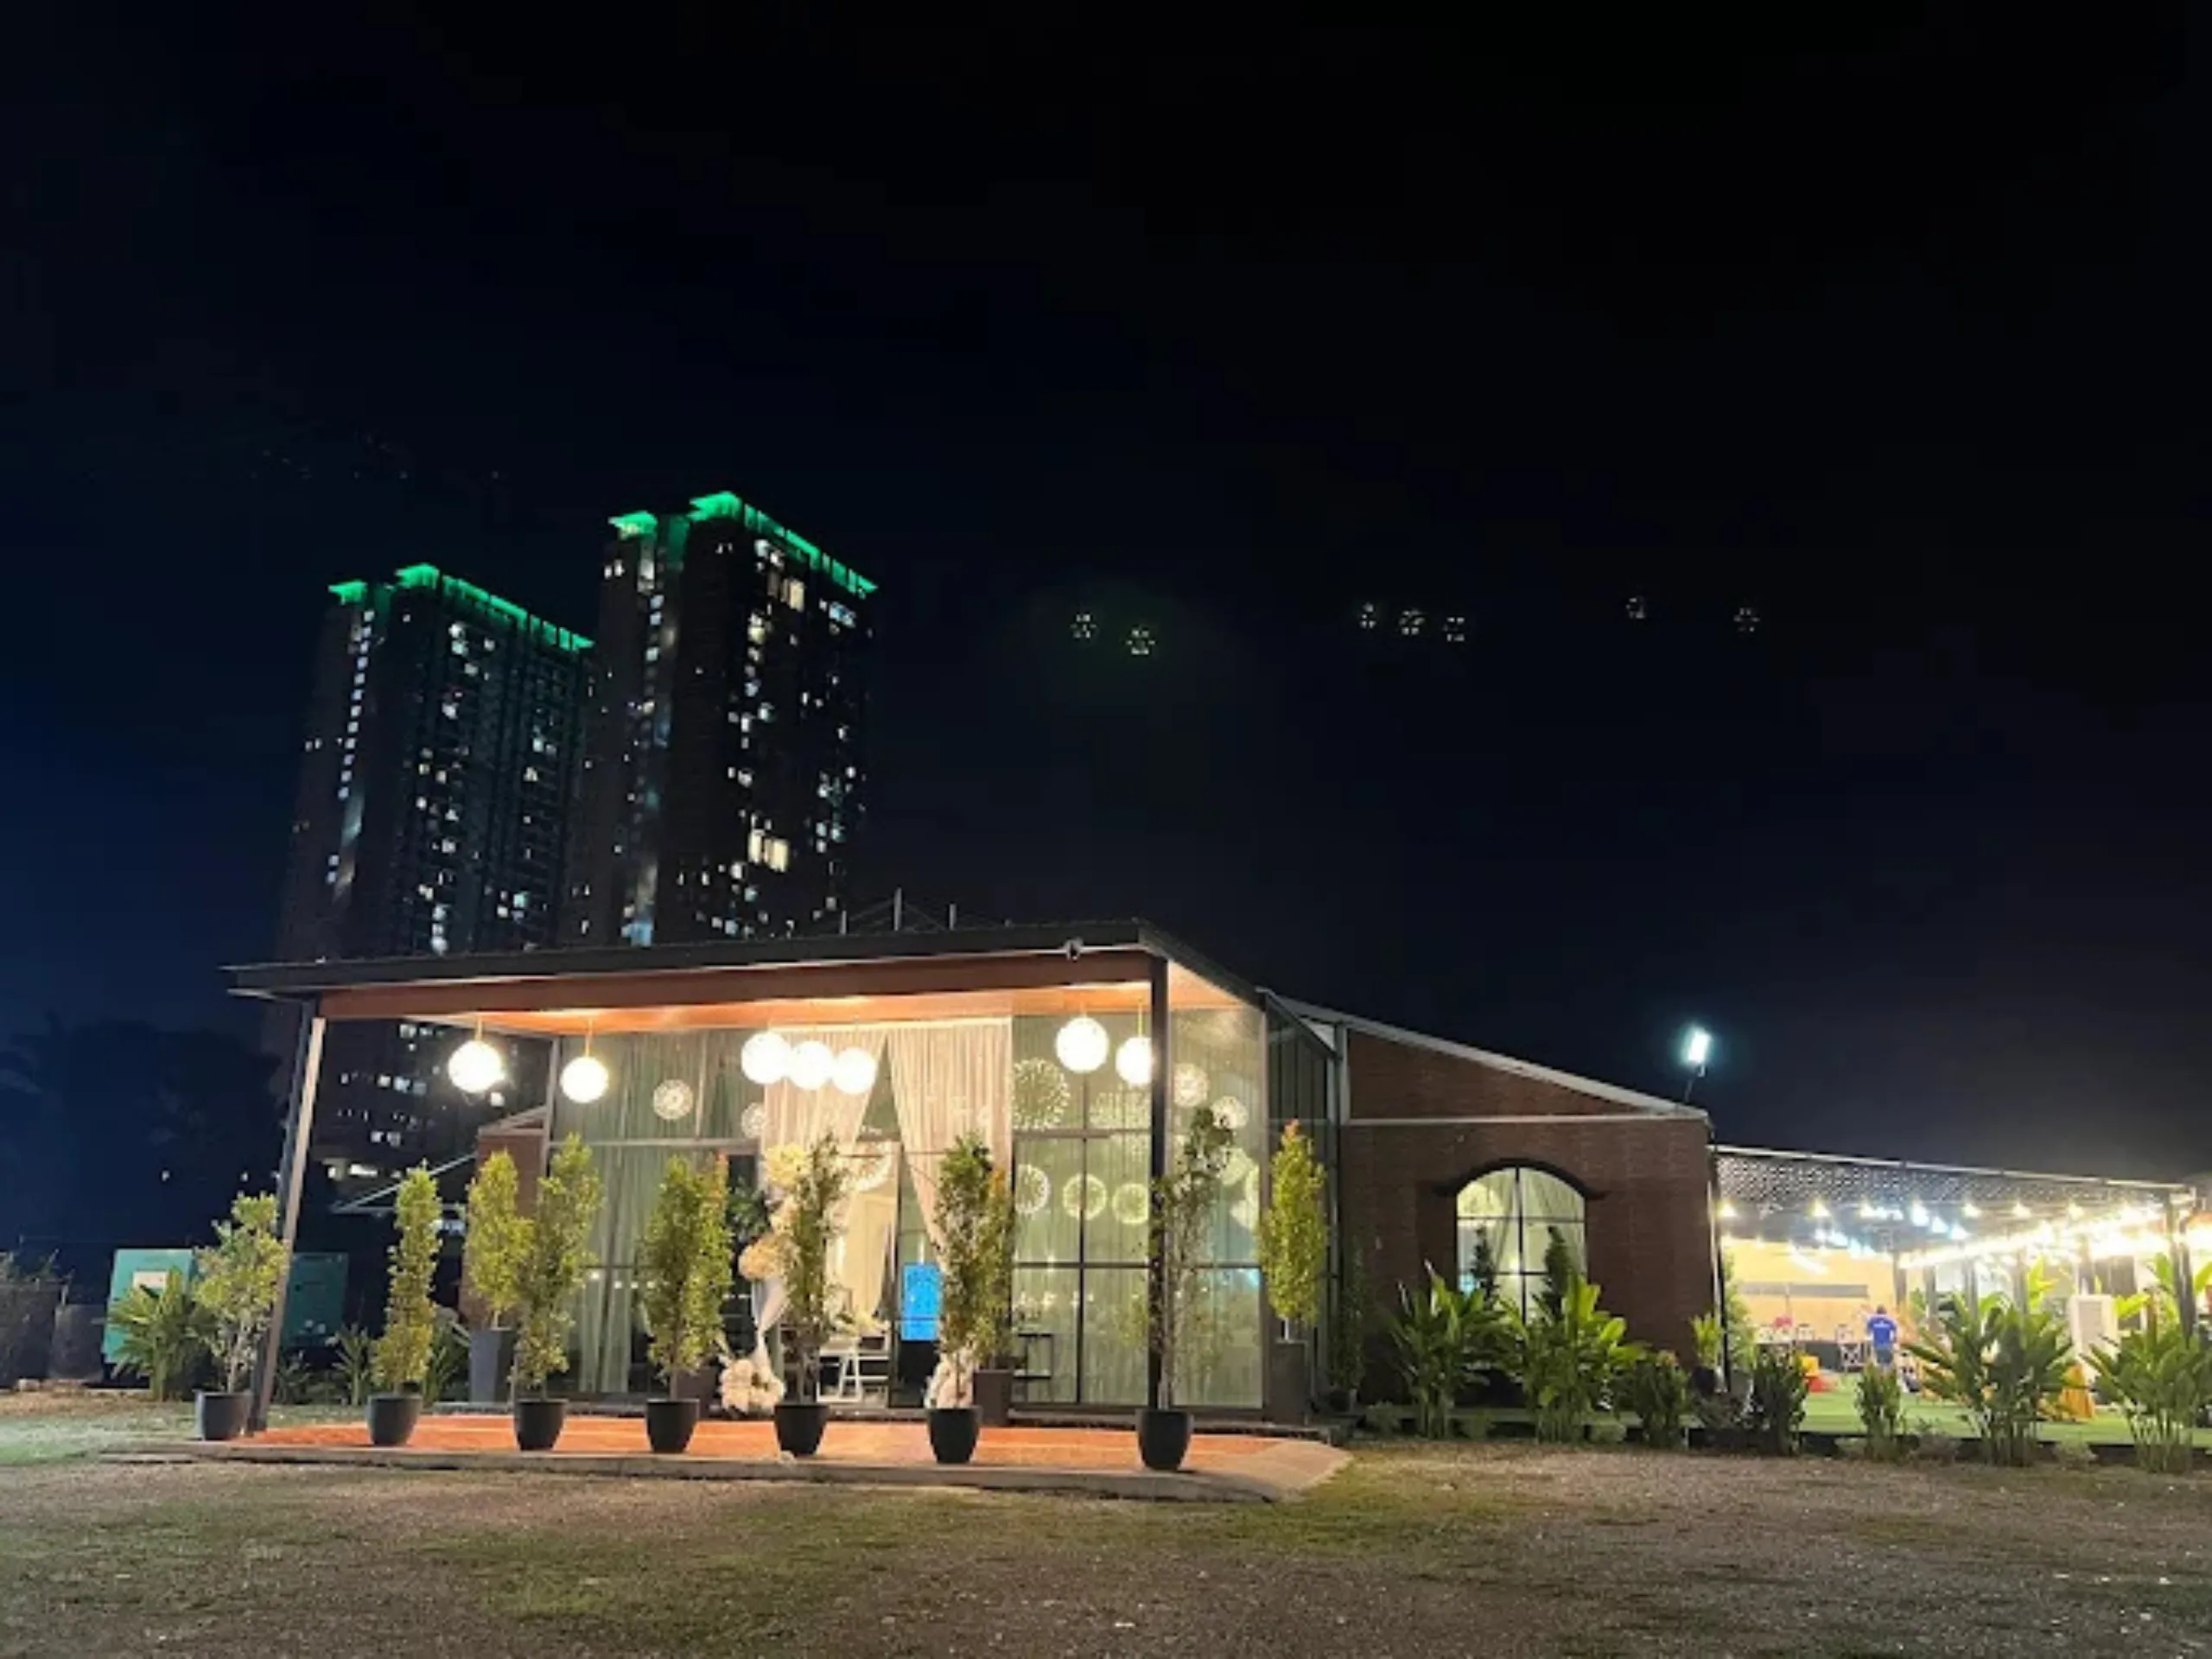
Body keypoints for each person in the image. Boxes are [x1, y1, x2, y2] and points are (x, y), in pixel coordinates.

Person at [1866, 1305, 1899, 1370]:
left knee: (1878, 1363)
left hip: (1876, 1346)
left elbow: (1868, 1332)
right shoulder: (1890, 1321)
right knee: (1888, 1364)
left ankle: (1879, 1371)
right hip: (1887, 1346)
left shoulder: (1872, 1321)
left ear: (1877, 1312)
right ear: (1885, 1312)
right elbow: (1895, 1334)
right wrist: (1894, 1342)